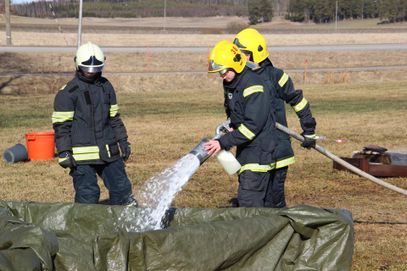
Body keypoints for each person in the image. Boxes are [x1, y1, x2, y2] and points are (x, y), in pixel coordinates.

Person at [233, 28, 317, 208]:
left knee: (274, 202)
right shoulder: (240, 78)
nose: (240, 58)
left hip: (278, 151)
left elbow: (298, 101)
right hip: (253, 150)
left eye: (243, 54)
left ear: (256, 54)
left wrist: (308, 130)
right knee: (254, 199)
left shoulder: (276, 76)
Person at [52, 41, 138, 206]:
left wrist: (123, 141)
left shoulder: (106, 87)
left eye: (96, 68)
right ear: (78, 65)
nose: (92, 72)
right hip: (81, 157)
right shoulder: (68, 93)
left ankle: (126, 226)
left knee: (122, 189)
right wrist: (64, 151)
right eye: (87, 68)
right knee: (88, 194)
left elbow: (114, 118)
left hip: (108, 151)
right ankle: (85, 229)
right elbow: (61, 126)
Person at [204, 40, 278, 207]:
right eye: (218, 73)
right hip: (247, 150)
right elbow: (238, 115)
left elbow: (251, 128)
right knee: (257, 202)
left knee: (248, 202)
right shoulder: (233, 83)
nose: (221, 76)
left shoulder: (254, 86)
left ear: (235, 65)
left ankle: (254, 233)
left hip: (259, 153)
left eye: (223, 71)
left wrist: (223, 142)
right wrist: (231, 126)